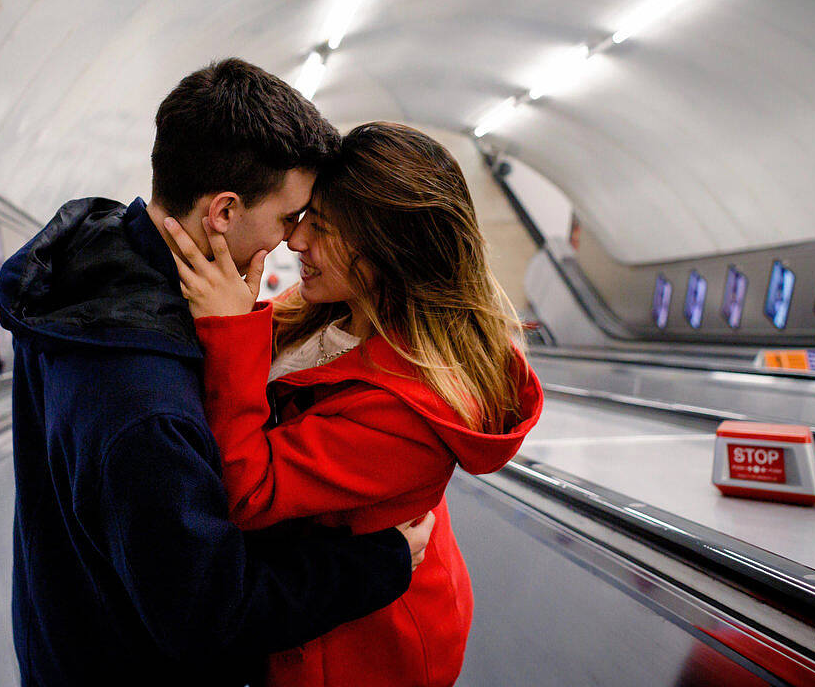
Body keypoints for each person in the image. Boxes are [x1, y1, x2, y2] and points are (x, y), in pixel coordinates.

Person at [0, 61, 435, 686]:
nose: (292, 241)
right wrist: (381, 563)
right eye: (288, 218)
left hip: (68, 636)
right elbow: (209, 612)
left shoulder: (88, 279)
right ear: (223, 212)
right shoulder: (146, 403)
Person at [165, 121, 544, 687]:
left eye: (322, 227)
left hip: (359, 649)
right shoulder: (328, 313)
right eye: (302, 219)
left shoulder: (414, 410)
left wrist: (231, 330)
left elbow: (250, 492)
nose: (295, 243)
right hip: (317, 607)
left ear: (391, 246)